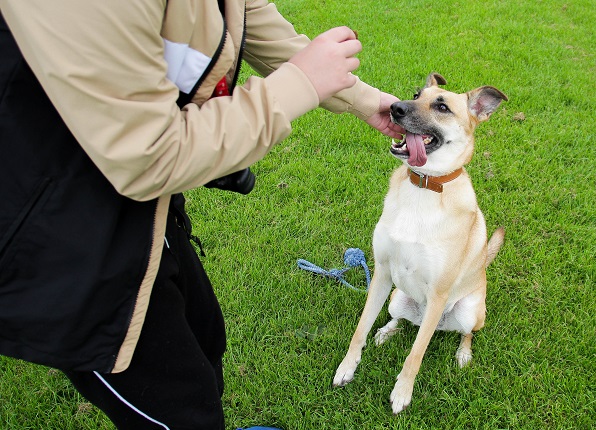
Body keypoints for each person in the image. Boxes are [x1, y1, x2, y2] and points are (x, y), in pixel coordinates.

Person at [0, 0, 404, 428]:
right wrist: (301, 81)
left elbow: (246, 16)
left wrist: (367, 100)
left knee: (204, 335)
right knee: (176, 409)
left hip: (142, 208)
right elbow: (148, 156)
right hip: (59, 235)